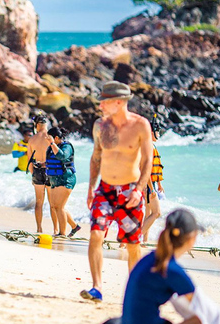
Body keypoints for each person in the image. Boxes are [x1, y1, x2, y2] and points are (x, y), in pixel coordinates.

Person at [82, 82, 153, 302]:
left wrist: (139, 190)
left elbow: (148, 161)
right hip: (104, 189)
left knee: (133, 245)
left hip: (129, 190)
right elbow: (96, 157)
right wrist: (91, 188)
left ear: (119, 102)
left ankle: (135, 292)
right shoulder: (100, 126)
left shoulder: (140, 125)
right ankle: (97, 287)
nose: (100, 105)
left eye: (104, 101)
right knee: (95, 235)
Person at [45, 127, 80, 237]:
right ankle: (75, 226)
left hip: (66, 179)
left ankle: (62, 233)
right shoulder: (51, 147)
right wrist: (42, 164)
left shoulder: (67, 146)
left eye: (49, 137)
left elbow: (62, 156)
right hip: (55, 179)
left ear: (55, 138)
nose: (46, 138)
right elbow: (51, 161)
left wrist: (52, 143)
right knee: (56, 206)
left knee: (59, 207)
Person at [26, 115, 56, 234]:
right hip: (50, 170)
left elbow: (29, 161)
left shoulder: (32, 139)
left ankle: (39, 228)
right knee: (52, 203)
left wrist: (34, 174)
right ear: (46, 124)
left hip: (38, 170)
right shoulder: (51, 138)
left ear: (37, 125)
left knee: (39, 202)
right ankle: (56, 229)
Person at [142, 121, 165, 242]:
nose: (158, 134)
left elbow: (155, 168)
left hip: (152, 184)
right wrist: (151, 188)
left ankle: (144, 241)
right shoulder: (148, 147)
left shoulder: (151, 145)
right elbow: (146, 169)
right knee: (157, 213)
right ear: (151, 133)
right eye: (157, 132)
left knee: (148, 212)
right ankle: (133, 238)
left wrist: (159, 184)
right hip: (148, 184)